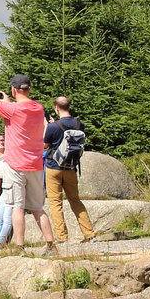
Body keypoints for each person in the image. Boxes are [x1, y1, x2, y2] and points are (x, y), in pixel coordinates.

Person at [0, 61, 57, 255]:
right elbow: (21, 110)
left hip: (15, 165)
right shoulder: (38, 108)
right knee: (37, 208)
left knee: (17, 207)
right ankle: (51, 245)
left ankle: (20, 247)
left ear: (13, 89)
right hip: (35, 164)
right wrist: (8, 100)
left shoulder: (12, 110)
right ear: (29, 89)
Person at [44, 96, 96, 244]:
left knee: (55, 203)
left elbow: (45, 145)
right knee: (75, 200)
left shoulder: (53, 126)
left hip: (53, 167)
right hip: (71, 167)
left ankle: (62, 239)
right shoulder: (80, 125)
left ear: (56, 108)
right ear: (69, 106)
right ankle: (89, 234)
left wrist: (48, 126)